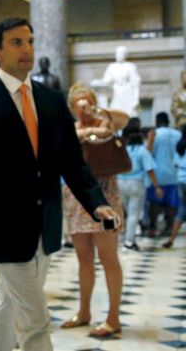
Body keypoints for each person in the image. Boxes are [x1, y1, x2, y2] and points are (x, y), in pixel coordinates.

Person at [0, 18, 118, 351]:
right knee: (35, 317)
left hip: (45, 226)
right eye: (16, 42)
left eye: (30, 41)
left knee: (11, 305)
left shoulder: (52, 101)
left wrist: (96, 201)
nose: (27, 49)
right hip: (1, 230)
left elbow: (72, 162)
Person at [60, 83, 126, 337]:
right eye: (80, 104)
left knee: (109, 258)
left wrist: (96, 111)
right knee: (83, 258)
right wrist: (83, 128)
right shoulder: (70, 130)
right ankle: (84, 311)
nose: (84, 109)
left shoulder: (107, 125)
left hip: (106, 195)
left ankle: (114, 317)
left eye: (88, 103)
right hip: (77, 198)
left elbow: (123, 119)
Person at [118, 118, 162, 250]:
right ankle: (129, 241)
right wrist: (157, 186)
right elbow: (150, 170)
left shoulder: (122, 150)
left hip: (120, 182)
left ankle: (127, 237)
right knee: (134, 213)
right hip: (136, 183)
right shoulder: (142, 150)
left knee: (126, 212)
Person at [146, 112, 182, 237]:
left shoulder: (155, 135)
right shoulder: (178, 134)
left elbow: (149, 153)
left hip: (157, 174)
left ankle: (153, 227)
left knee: (154, 202)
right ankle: (169, 227)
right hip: (174, 173)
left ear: (156, 121)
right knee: (172, 203)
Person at [93, 45, 141, 116]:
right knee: (116, 113)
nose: (118, 55)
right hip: (117, 92)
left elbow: (136, 84)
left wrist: (136, 99)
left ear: (125, 55)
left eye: (121, 53)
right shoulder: (112, 66)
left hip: (128, 92)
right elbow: (107, 80)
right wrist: (98, 82)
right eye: (117, 53)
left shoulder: (130, 66)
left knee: (129, 113)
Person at [164, 124, 186, 248]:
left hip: (181, 179)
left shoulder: (180, 146)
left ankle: (171, 239)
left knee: (182, 209)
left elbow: (176, 163)